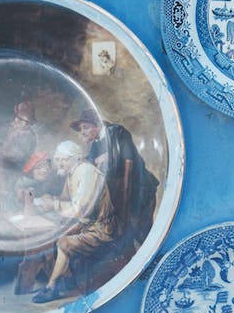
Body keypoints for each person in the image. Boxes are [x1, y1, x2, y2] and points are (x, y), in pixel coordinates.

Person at [32, 140, 116, 303]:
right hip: (86, 224)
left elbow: (80, 209)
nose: (59, 164)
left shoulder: (87, 172)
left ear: (76, 158)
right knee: (53, 234)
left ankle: (52, 287)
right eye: (57, 160)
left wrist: (54, 205)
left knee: (63, 242)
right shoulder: (72, 172)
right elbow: (66, 199)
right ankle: (66, 280)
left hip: (100, 228)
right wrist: (52, 199)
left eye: (63, 160)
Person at [69, 109, 160, 252]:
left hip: (139, 192)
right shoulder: (97, 142)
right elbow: (91, 164)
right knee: (125, 236)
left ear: (97, 125)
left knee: (141, 233)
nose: (82, 132)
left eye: (85, 127)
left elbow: (126, 164)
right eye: (81, 129)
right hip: (120, 195)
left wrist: (124, 203)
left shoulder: (116, 132)